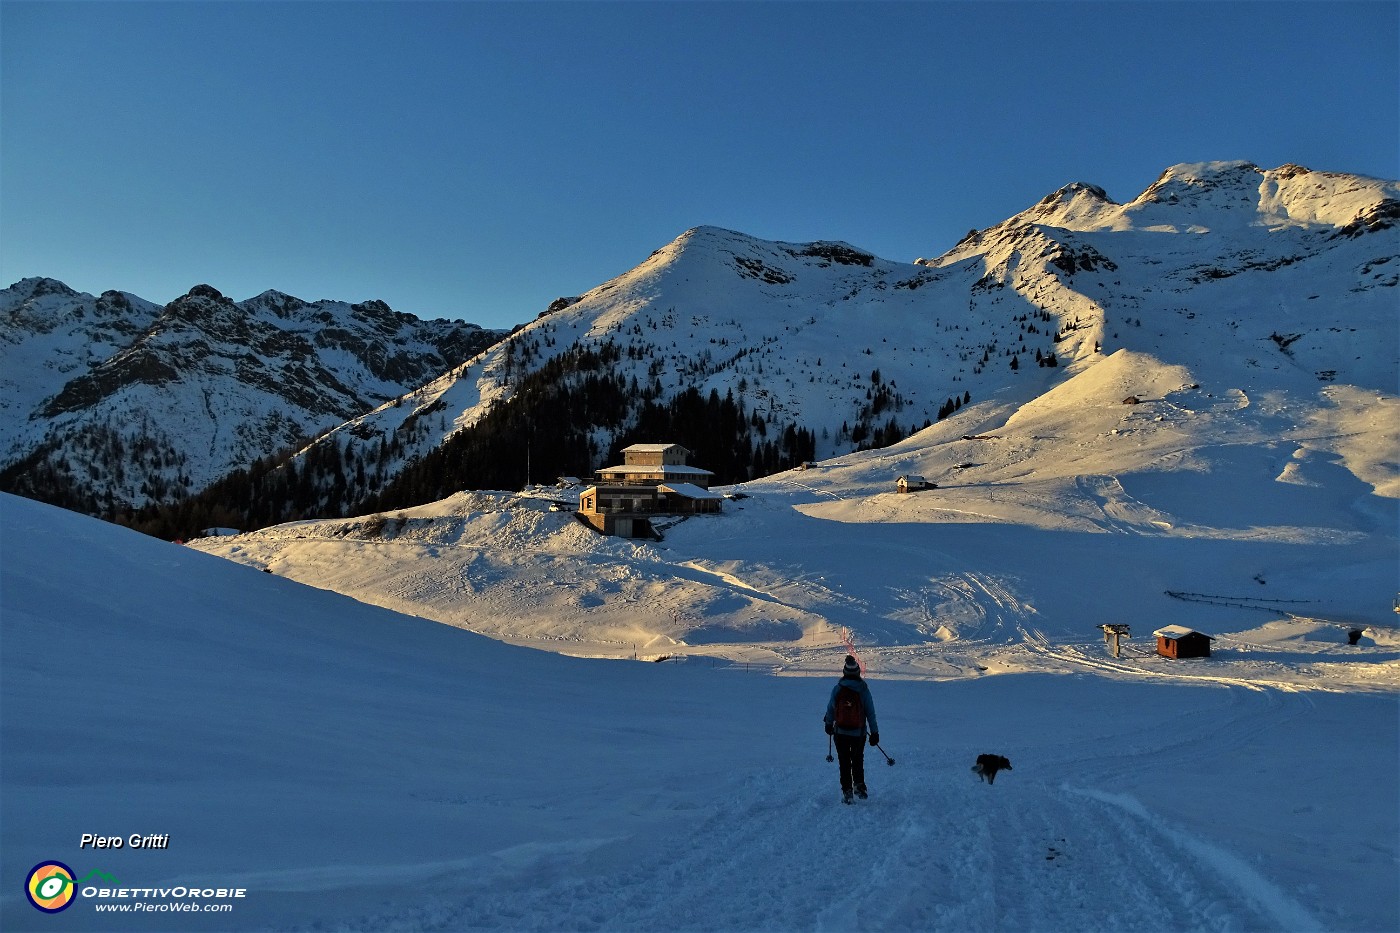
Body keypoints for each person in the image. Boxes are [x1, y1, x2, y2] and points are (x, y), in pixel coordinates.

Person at [823, 655, 879, 804]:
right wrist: (874, 733)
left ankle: (847, 792)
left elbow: (831, 709)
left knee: (844, 762)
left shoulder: (838, 689)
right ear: (858, 672)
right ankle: (859, 786)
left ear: (845, 672)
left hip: (840, 733)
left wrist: (828, 723)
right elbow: (870, 713)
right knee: (857, 759)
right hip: (858, 734)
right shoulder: (863, 690)